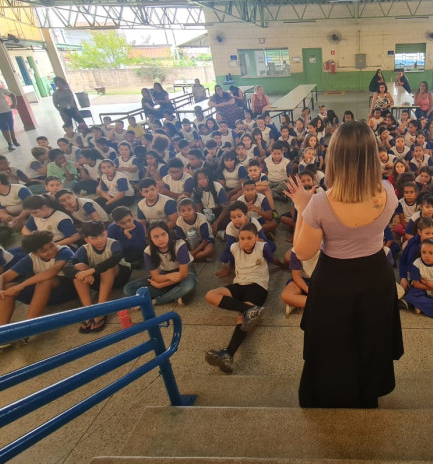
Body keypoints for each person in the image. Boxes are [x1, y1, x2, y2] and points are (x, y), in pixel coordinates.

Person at [284, 120, 403, 408]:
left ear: (334, 157)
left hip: (335, 282)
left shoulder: (321, 203)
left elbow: (302, 251)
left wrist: (302, 207)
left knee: (332, 344)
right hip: (376, 276)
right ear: (372, 155)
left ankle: (330, 396)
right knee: (370, 341)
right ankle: (366, 397)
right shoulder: (388, 191)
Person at [204, 222, 276, 372]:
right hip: (239, 284)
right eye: (242, 238)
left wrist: (282, 265)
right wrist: (226, 269)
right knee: (210, 295)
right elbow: (226, 258)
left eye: (249, 238)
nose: (245, 241)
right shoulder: (234, 247)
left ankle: (228, 353)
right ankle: (250, 309)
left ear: (256, 237)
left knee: (242, 319)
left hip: (257, 286)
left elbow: (271, 258)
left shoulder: (263, 247)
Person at [66, 221, 132, 333]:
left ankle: (101, 310)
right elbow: (67, 267)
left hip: (119, 276)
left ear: (106, 232)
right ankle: (88, 310)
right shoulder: (84, 249)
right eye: (94, 238)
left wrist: (90, 271)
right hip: (98, 280)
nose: (100, 240)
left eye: (102, 235)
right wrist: (80, 274)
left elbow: (115, 258)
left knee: (107, 267)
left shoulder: (114, 243)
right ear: (87, 240)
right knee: (78, 267)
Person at [123, 221, 197, 306]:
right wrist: (167, 277)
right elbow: (156, 277)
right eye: (156, 237)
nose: (161, 239)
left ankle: (157, 300)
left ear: (168, 234)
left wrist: (162, 285)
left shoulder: (179, 244)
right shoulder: (148, 251)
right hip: (164, 274)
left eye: (163, 234)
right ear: (150, 238)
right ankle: (174, 293)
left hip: (185, 273)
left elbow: (183, 274)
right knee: (129, 289)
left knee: (188, 285)